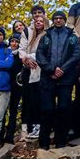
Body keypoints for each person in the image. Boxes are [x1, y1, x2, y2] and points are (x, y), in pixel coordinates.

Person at [35, 9, 80, 150]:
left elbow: (76, 54)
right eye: (56, 18)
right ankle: (44, 143)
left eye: (61, 18)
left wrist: (63, 69)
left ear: (65, 20)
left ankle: (61, 142)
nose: (58, 20)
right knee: (47, 110)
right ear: (53, 20)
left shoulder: (72, 36)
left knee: (64, 109)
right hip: (48, 79)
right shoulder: (46, 36)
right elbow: (39, 54)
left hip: (65, 80)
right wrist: (51, 69)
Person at [19, 12, 47, 140]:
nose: (38, 22)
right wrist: (27, 58)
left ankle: (44, 127)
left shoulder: (48, 35)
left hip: (45, 72)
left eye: (41, 20)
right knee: (33, 100)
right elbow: (24, 51)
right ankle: (35, 127)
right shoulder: (31, 36)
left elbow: (47, 53)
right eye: (36, 21)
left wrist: (31, 57)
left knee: (44, 100)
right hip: (33, 73)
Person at [2, 32, 24, 145]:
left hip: (16, 86)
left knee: (13, 111)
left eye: (16, 42)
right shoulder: (4, 53)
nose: (14, 44)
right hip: (4, 85)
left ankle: (9, 136)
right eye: (12, 41)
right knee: (2, 111)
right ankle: (0, 135)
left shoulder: (21, 56)